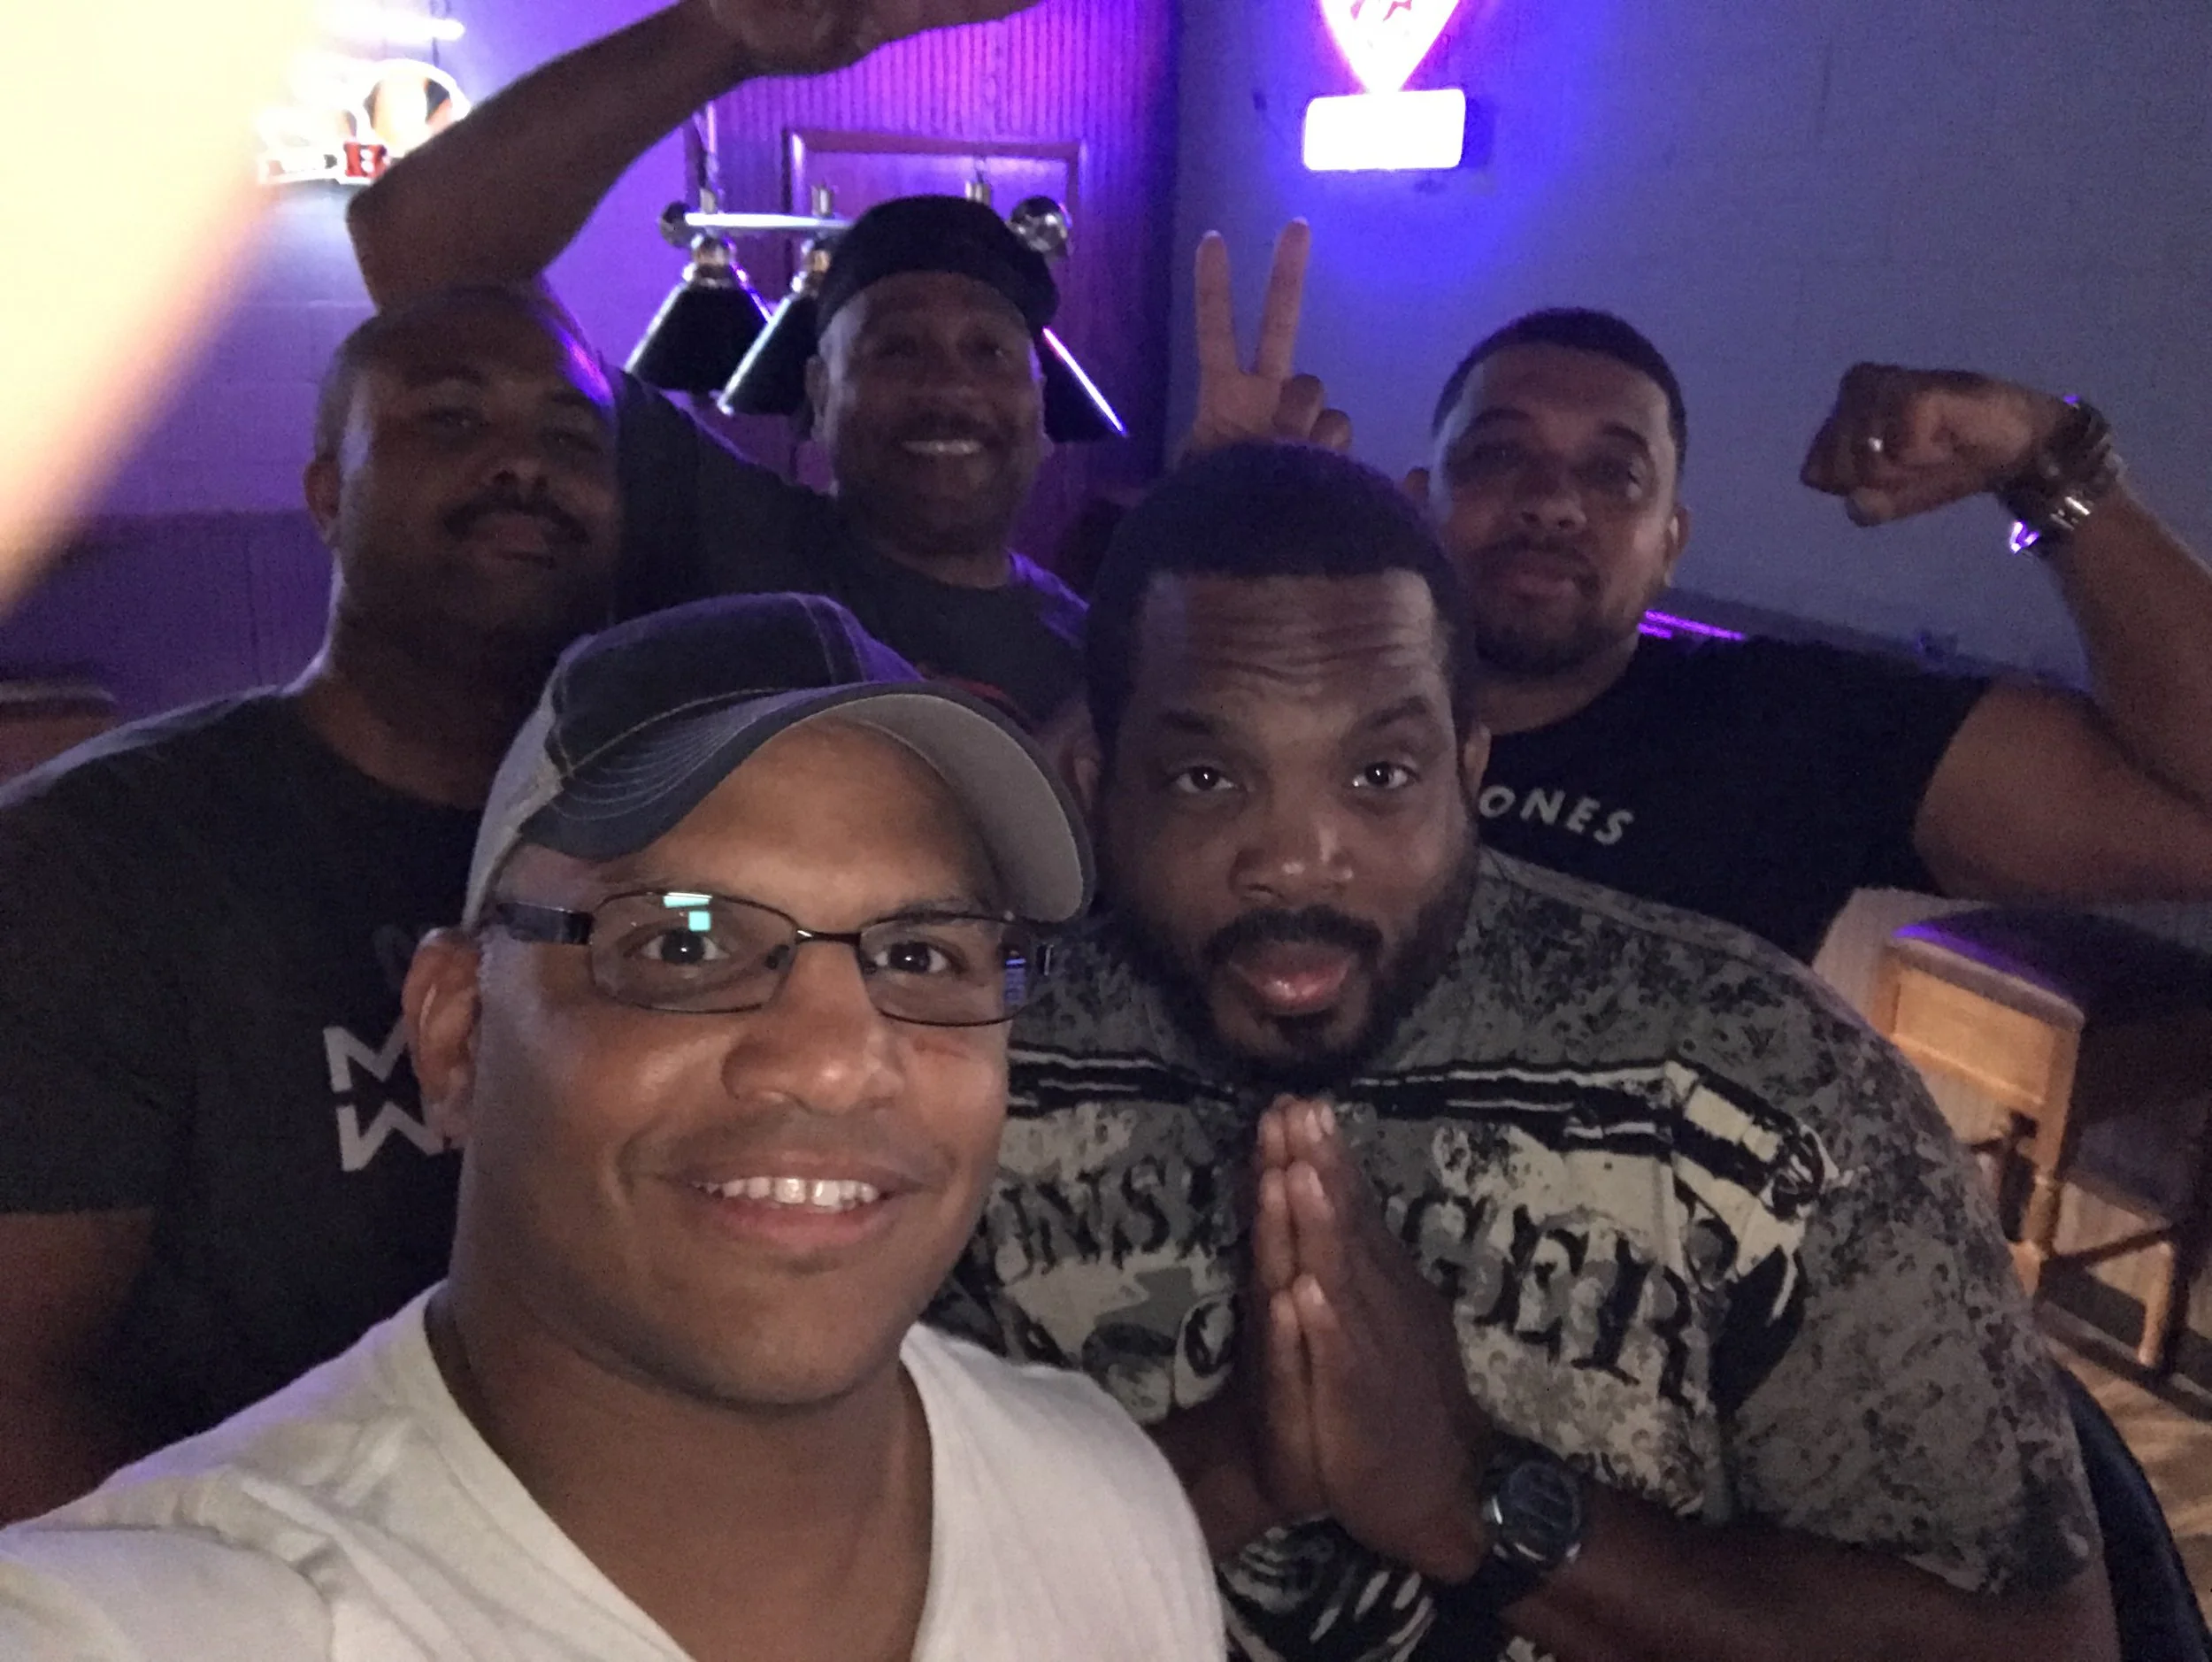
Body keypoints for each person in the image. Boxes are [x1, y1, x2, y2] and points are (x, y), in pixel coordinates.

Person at [934, 442, 2118, 1662]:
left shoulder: (1760, 1084)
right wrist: (1236, 1462)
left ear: (1470, 768)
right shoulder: (969, 1067)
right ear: (1096, 780)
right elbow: (866, 1566)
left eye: (1381, 772)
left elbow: (2048, 1646)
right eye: (1204, 774)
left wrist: (1476, 1497)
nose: (1297, 856)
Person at [0, 592, 1224, 1661]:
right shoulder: (175, 1617)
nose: (839, 1057)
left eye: (920, 952)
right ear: (457, 1032)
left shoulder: (1102, 1499)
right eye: (685, 942)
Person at [0, 285, 623, 1520]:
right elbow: (19, 1385)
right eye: (448, 421)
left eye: (571, 439)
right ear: (327, 496)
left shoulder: (652, 846)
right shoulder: (99, 857)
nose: (521, 463)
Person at [349, 0, 1085, 726]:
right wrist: (720, 34)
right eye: (895, 347)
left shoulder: (1104, 658)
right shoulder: (710, 523)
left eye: (988, 350)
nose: (949, 385)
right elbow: (417, 249)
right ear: (818, 395)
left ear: (1041, 406)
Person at [1413, 307, 2212, 960]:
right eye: (1498, 453)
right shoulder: (1304, 704)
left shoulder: (1780, 725)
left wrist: (2045, 458)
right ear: (1416, 506)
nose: (1553, 500)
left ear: (1670, 546)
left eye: (1615, 473)